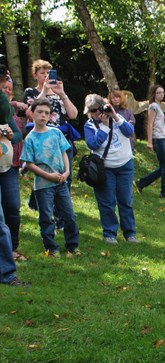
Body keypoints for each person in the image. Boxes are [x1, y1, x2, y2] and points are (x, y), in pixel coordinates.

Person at [23, 59, 80, 229]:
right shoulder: (31, 92)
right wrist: (44, 92)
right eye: (42, 73)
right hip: (40, 139)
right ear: (35, 75)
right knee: (45, 176)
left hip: (60, 139)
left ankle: (62, 218)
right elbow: (28, 112)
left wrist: (61, 94)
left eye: (49, 73)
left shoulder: (59, 92)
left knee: (64, 178)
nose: (46, 76)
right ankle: (44, 212)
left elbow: (74, 114)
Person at [20, 98, 80, 257]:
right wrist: (48, 175)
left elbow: (64, 153)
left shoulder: (56, 132)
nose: (43, 116)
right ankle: (51, 248)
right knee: (46, 218)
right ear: (32, 114)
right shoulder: (30, 139)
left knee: (69, 215)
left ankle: (73, 246)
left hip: (61, 182)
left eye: (46, 113)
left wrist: (67, 172)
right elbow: (30, 164)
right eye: (39, 112)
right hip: (42, 185)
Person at [83, 94, 139, 245]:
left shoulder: (117, 118)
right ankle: (109, 233)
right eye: (92, 111)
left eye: (98, 109)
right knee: (107, 202)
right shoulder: (89, 125)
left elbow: (129, 132)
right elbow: (93, 144)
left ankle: (130, 233)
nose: (96, 113)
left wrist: (114, 116)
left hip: (125, 165)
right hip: (105, 169)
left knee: (125, 200)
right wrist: (104, 127)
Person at [0, 71, 27, 261]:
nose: (6, 92)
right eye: (4, 88)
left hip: (8, 167)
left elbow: (18, 136)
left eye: (8, 90)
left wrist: (10, 135)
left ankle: (13, 247)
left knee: (12, 205)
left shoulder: (7, 113)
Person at [135, 84, 165, 200]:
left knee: (163, 167)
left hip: (161, 137)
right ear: (154, 94)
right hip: (157, 139)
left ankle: (141, 183)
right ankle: (164, 193)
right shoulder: (153, 106)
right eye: (159, 93)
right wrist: (149, 142)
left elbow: (159, 125)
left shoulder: (158, 107)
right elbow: (150, 124)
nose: (161, 94)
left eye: (163, 92)